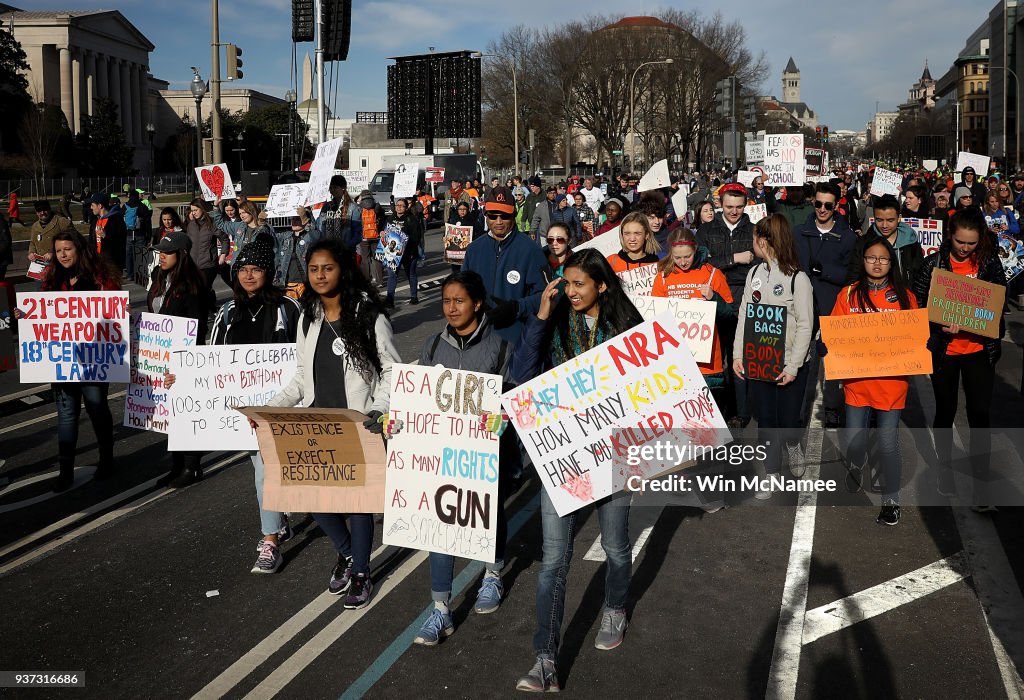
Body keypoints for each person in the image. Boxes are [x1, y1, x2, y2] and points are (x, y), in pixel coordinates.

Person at [510, 249, 644, 693]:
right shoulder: (554, 324)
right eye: (566, 284)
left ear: (601, 286)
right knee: (554, 561)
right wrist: (542, 317)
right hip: (563, 457)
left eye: (578, 285)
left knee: (615, 546)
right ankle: (545, 657)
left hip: (614, 454)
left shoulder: (626, 326)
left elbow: (651, 386)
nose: (570, 292)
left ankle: (615, 606)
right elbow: (524, 374)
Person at [267, 238, 399, 607]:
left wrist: (377, 408)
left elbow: (391, 370)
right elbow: (299, 376)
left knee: (358, 504)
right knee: (313, 497)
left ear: (343, 269)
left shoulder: (370, 315)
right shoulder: (308, 316)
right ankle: (347, 554)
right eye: (313, 269)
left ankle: (361, 573)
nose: (320, 275)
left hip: (356, 424)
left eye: (327, 268)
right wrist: (272, 408)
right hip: (316, 424)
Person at [410, 270, 514, 645]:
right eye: (446, 301)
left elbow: (510, 397)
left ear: (478, 303)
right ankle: (440, 609)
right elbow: (418, 395)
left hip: (484, 454)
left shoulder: (500, 347)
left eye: (459, 301)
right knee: (440, 523)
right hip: (441, 455)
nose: (451, 308)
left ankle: (492, 574)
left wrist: (501, 417)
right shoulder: (432, 346)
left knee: (488, 513)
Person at [206, 238, 300, 572]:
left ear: (268, 273)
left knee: (266, 473)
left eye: (256, 269)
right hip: (240, 412)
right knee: (262, 472)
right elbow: (210, 360)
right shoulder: (227, 312)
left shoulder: (289, 308)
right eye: (242, 269)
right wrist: (183, 379)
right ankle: (278, 516)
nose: (248, 275)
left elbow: (303, 353)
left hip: (280, 408)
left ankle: (270, 540)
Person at [912, 209, 1006, 510]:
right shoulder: (933, 264)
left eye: (971, 244)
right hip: (946, 352)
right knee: (945, 411)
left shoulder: (989, 263)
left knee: (980, 415)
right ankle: (945, 472)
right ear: (949, 235)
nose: (965, 248)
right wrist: (938, 323)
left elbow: (999, 301)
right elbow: (918, 305)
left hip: (980, 350)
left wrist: (985, 317)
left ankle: (982, 489)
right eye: (960, 242)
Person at [828, 234, 918, 526]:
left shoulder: (905, 296)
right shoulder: (848, 294)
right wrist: (825, 343)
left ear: (891, 263)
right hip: (857, 384)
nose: (877, 263)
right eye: (871, 258)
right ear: (862, 260)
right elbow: (835, 332)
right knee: (854, 440)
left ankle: (891, 500)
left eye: (883, 258)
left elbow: (916, 336)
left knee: (888, 443)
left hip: (892, 384)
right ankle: (857, 461)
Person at [732, 214, 815, 495]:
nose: (752, 243)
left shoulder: (798, 279)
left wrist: (793, 366)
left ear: (764, 241)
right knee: (766, 422)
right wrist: (738, 354)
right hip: (759, 362)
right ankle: (770, 474)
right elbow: (745, 313)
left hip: (790, 364)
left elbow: (805, 325)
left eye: (755, 238)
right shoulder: (754, 274)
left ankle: (793, 444)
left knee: (789, 420)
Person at [40, 231, 120, 491]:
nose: (63, 255)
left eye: (67, 249)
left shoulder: (99, 277)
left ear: (79, 249)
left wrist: (120, 311)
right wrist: (25, 314)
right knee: (66, 415)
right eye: (59, 250)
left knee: (97, 408)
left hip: (94, 359)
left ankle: (106, 460)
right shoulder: (52, 279)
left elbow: (113, 307)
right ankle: (65, 471)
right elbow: (41, 314)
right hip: (63, 360)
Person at [793, 182, 857, 430]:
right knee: (800, 356)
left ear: (836, 206)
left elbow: (851, 275)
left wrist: (826, 271)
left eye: (827, 205)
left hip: (832, 305)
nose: (822, 209)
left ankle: (831, 407)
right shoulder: (800, 232)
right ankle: (797, 406)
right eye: (818, 203)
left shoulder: (847, 236)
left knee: (832, 360)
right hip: (803, 304)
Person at [147, 232, 208, 487]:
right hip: (161, 355)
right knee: (169, 413)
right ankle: (176, 464)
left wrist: (187, 361)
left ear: (181, 255)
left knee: (185, 411)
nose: (161, 256)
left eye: (167, 252)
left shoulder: (193, 285)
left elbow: (198, 325)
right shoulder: (158, 278)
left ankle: (192, 466)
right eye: (160, 251)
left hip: (184, 357)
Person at [697, 183, 756, 428]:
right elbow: (702, 261)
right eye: (730, 206)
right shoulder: (707, 229)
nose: (734, 211)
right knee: (712, 355)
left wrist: (725, 263)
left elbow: (757, 259)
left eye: (739, 207)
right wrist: (734, 259)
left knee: (738, 354)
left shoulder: (753, 229)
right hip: (714, 295)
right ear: (721, 204)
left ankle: (740, 411)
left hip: (744, 293)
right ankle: (715, 408)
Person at [462, 187, 548, 344]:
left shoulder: (531, 250)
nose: (499, 221)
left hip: (517, 342)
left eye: (505, 215)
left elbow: (546, 296)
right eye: (493, 216)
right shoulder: (474, 250)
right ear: (485, 215)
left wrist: (517, 307)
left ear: (514, 214)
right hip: (478, 341)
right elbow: (462, 292)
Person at [848, 195, 923, 288]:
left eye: (890, 220)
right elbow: (854, 275)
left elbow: (919, 277)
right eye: (879, 220)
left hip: (904, 298)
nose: (884, 225)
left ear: (899, 218)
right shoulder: (864, 243)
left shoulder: (911, 243)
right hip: (871, 297)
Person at [184, 198, 225, 309]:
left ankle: (204, 312)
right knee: (194, 291)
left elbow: (224, 238)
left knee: (202, 290)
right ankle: (207, 307)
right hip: (193, 264)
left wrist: (223, 253)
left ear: (202, 209)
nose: (193, 213)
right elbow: (187, 242)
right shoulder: (191, 225)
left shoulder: (211, 224)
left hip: (208, 265)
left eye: (196, 210)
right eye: (192, 210)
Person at [385, 197, 424, 307]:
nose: (399, 208)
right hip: (393, 254)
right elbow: (384, 231)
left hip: (408, 253)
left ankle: (414, 296)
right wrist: (382, 233)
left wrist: (411, 251)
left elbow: (416, 237)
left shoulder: (411, 219)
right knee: (392, 275)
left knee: (411, 274)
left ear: (406, 208)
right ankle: (390, 299)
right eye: (398, 205)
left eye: (402, 206)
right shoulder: (390, 219)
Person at [274, 214, 317, 297]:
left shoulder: (309, 236)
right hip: (286, 282)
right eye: (292, 219)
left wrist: (307, 220)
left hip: (304, 283)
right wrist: (263, 224)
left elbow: (316, 234)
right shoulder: (286, 236)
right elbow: (271, 237)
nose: (293, 222)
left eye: (297, 219)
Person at [317, 175, 362, 250]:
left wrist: (346, 245)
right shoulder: (327, 206)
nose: (332, 190)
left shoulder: (353, 208)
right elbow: (319, 226)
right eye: (330, 188)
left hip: (345, 251)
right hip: (328, 249)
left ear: (343, 188)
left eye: (335, 187)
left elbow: (358, 233)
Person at [28, 200, 77, 266]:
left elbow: (75, 240)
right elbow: (32, 242)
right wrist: (31, 253)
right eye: (39, 210)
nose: (42, 213)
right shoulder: (35, 226)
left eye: (45, 209)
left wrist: (54, 253)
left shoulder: (61, 222)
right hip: (40, 265)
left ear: (50, 209)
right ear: (36, 212)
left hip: (60, 264)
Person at [90, 193, 127, 272]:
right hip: (97, 263)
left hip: (111, 265)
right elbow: (91, 243)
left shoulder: (116, 220)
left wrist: (106, 236)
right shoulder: (95, 222)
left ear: (100, 206)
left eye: (92, 205)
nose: (91, 208)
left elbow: (121, 243)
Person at [357, 190, 386, 286]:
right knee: (378, 258)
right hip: (376, 236)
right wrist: (381, 229)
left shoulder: (359, 207)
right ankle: (380, 281)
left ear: (362, 196)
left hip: (364, 237)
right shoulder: (377, 206)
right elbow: (383, 218)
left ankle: (367, 281)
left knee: (365, 259)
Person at [122, 189, 151, 282]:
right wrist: (148, 236)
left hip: (128, 234)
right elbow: (147, 222)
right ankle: (139, 274)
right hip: (140, 234)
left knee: (128, 255)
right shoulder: (142, 206)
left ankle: (130, 274)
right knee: (140, 255)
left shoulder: (125, 206)